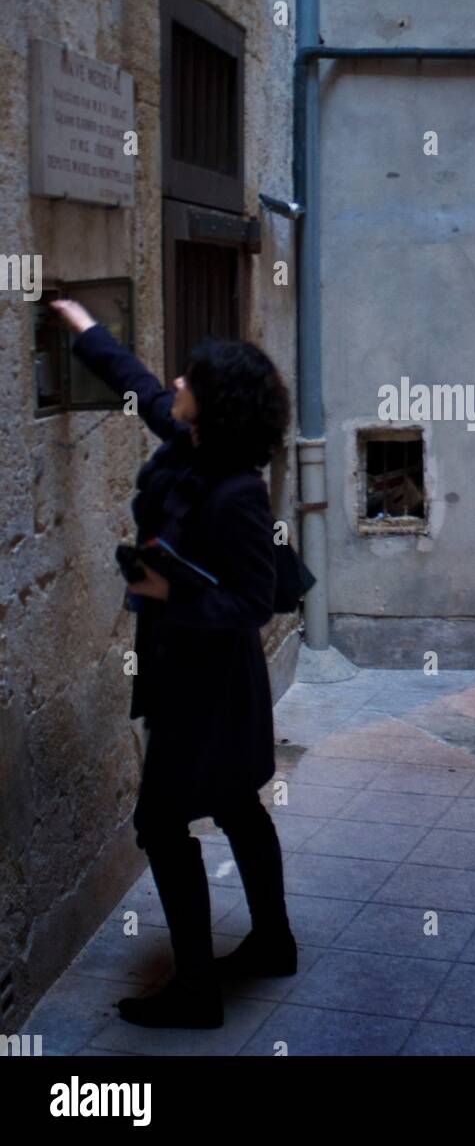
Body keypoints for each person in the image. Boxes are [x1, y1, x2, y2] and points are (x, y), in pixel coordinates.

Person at [50, 299, 298, 1030]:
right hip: (189, 676)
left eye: (190, 380)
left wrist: (165, 593)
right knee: (237, 806)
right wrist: (83, 327)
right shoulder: (190, 443)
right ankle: (273, 943)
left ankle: (196, 990)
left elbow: (254, 600)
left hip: (211, 689)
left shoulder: (236, 490)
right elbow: (139, 384)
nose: (177, 382)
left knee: (162, 825)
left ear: (213, 406)